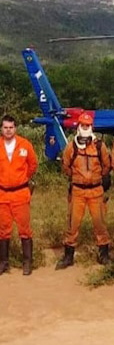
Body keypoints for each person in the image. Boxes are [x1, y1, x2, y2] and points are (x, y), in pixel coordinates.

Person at [56, 113, 111, 270]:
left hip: (96, 191)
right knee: (72, 224)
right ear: (78, 126)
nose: (85, 128)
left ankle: (104, 255)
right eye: (83, 125)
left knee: (100, 223)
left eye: (88, 125)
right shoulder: (71, 147)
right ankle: (68, 257)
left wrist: (95, 178)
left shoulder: (100, 146)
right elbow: (66, 166)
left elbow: (106, 166)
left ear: (91, 127)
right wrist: (78, 179)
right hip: (78, 191)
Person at [0, 115, 38, 276]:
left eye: (11, 127)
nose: (8, 130)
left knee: (25, 229)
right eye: (5, 127)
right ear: (1, 129)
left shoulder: (25, 145)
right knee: (3, 230)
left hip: (21, 193)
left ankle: (27, 262)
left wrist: (22, 179)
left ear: (15, 128)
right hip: (2, 194)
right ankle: (3, 262)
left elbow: (33, 165)